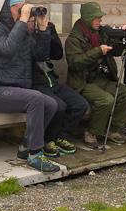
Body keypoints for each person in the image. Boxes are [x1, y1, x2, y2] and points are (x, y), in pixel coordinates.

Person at [0, 0, 61, 172]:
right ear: (8, 11)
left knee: (51, 104)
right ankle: (35, 154)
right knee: (36, 98)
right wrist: (23, 21)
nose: (25, 13)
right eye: (20, 9)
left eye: (25, 9)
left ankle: (25, 146)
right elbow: (7, 48)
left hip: (16, 91)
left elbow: (40, 56)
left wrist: (43, 30)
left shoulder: (23, 31)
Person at [65, 2, 126, 149]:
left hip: (102, 78)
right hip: (83, 82)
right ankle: (91, 132)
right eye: (97, 18)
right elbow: (75, 63)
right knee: (106, 100)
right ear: (88, 18)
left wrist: (123, 37)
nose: (100, 21)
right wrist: (98, 51)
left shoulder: (101, 33)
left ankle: (112, 129)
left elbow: (114, 50)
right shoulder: (73, 39)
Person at [30, 19, 88, 154]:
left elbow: (57, 54)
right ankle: (47, 139)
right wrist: (41, 34)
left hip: (52, 82)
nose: (36, 23)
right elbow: (38, 54)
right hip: (36, 84)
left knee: (80, 104)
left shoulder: (43, 33)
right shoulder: (25, 38)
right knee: (59, 106)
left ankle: (61, 136)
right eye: (32, 20)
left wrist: (51, 30)